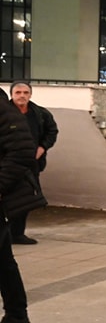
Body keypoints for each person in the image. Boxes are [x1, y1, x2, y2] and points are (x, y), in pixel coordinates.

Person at [0, 88, 39, 323]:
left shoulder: (3, 110)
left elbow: (23, 151)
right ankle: (17, 317)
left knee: (3, 262)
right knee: (3, 261)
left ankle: (17, 317)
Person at [8, 81, 58, 245]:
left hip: (31, 164)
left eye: (25, 92)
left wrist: (42, 148)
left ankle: (17, 234)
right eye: (18, 93)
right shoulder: (4, 113)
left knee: (26, 199)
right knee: (7, 198)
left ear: (30, 94)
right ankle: (6, 234)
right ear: (11, 94)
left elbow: (52, 131)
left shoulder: (40, 114)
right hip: (7, 164)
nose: (22, 96)